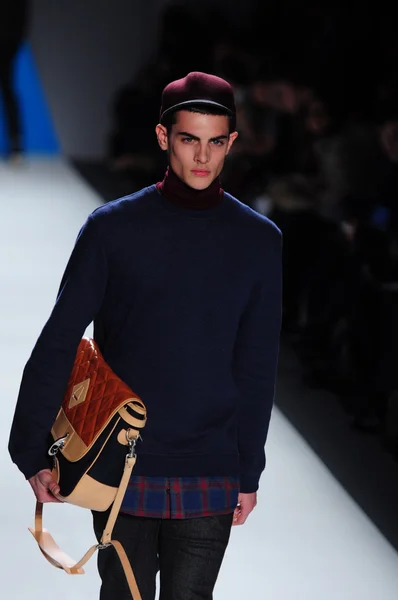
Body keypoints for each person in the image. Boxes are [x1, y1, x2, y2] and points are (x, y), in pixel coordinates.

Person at [9, 72, 282, 599]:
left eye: (215, 141)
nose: (202, 156)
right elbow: (61, 337)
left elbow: (256, 364)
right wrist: (31, 447)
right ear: (163, 138)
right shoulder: (112, 229)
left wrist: (248, 469)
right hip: (122, 463)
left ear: (231, 143)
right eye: (188, 139)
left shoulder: (259, 242)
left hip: (212, 464)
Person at [0, 0, 29, 160]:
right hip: (10, 40)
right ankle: (16, 145)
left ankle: (16, 145)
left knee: (8, 91)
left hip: (7, 43)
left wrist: (16, 40)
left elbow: (22, 15)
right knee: (9, 91)